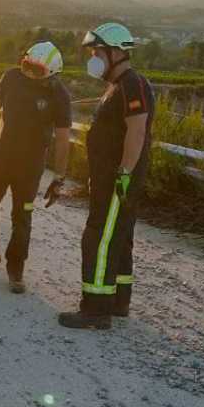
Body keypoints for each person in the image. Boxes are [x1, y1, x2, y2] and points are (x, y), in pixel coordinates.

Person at [58, 22, 155, 329]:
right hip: (110, 178)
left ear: (115, 53)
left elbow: (137, 132)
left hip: (118, 179)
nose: (93, 57)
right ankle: (118, 301)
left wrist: (123, 175)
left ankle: (95, 310)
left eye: (97, 51)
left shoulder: (132, 84)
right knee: (119, 237)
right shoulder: (117, 86)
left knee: (98, 238)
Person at [0, 41, 72, 294]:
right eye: (27, 66)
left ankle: (16, 268)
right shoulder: (11, 77)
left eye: (38, 70)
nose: (30, 73)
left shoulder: (60, 95)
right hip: (0, 155)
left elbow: (64, 138)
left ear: (53, 72)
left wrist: (59, 177)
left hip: (31, 163)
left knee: (21, 216)